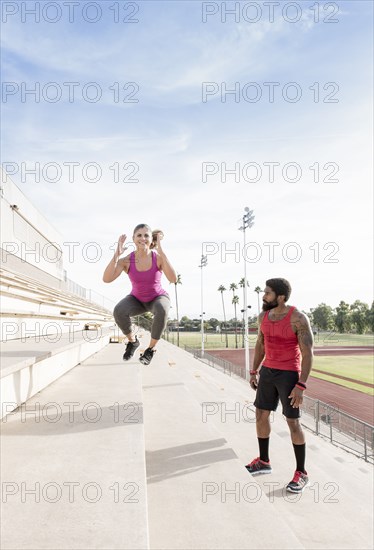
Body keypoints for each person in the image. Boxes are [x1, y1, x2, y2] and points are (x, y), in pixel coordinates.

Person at [245, 278, 314, 493]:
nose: (263, 296)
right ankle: (264, 461)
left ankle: (301, 472)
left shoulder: (298, 318)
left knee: (292, 422)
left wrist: (301, 385)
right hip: (268, 372)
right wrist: (254, 371)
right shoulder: (263, 317)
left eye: (267, 293)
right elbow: (260, 344)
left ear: (280, 297)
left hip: (289, 374)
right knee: (260, 416)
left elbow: (308, 352)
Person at [103, 224, 177, 365]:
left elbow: (173, 279)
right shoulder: (126, 260)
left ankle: (150, 349)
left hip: (157, 298)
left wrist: (161, 251)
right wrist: (116, 255)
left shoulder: (158, 258)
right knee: (119, 311)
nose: (142, 238)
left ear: (151, 239)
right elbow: (107, 279)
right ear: (133, 238)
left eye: (146, 235)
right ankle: (133, 342)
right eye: (139, 235)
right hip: (137, 299)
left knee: (162, 309)